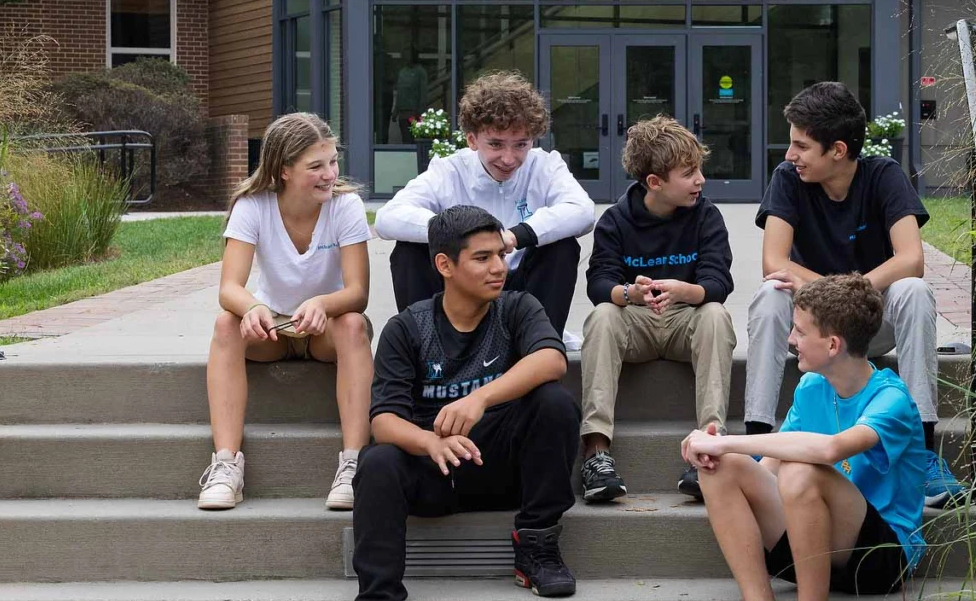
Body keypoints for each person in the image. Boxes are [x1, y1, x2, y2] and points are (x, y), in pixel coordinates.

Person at [326, 205, 579, 601]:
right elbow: (383, 421)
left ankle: (537, 546)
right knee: (377, 463)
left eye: (501, 255)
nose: (498, 267)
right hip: (433, 474)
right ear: (445, 265)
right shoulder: (408, 328)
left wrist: (480, 398)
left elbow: (551, 359)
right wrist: (427, 442)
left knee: (554, 403)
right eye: (482, 258)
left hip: (502, 467)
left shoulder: (518, 308)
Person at [682, 274, 927, 601]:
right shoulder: (813, 386)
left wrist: (732, 442)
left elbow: (830, 451)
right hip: (813, 542)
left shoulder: (891, 400)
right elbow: (773, 462)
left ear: (833, 345)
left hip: (879, 558)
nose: (792, 339)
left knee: (802, 468)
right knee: (722, 467)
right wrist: (719, 452)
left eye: (800, 330)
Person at [746, 81, 940, 458]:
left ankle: (922, 451)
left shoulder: (884, 176)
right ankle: (757, 436)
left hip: (868, 327)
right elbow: (775, 263)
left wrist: (845, 292)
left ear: (838, 150)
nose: (789, 155)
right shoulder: (787, 179)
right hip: (809, 329)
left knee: (914, 291)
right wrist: (839, 291)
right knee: (771, 294)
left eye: (801, 146)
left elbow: (911, 260)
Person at [199, 112, 373, 512]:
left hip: (326, 329)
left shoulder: (346, 206)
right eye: (316, 166)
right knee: (227, 323)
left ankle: (353, 464)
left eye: (333, 161)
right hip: (274, 330)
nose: (330, 173)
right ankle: (226, 466)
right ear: (285, 171)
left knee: (352, 325)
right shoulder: (253, 206)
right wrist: (254, 308)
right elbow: (229, 288)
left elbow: (358, 293)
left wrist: (323, 304)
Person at [578, 115, 736, 504]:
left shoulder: (706, 216)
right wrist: (629, 293)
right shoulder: (616, 220)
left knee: (716, 315)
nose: (700, 180)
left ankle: (709, 445)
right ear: (655, 182)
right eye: (689, 173)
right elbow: (598, 284)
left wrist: (688, 291)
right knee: (601, 317)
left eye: (699, 169)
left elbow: (719, 283)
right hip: (637, 324)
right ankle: (596, 454)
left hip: (687, 321)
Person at [373, 71, 593, 336]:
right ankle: (426, 348)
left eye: (521, 144)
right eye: (496, 144)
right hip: (462, 283)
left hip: (523, 287)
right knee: (409, 250)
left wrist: (515, 235)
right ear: (472, 140)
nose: (509, 159)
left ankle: (540, 345)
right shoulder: (450, 170)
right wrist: (464, 235)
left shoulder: (545, 165)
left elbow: (582, 211)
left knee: (562, 246)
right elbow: (388, 219)